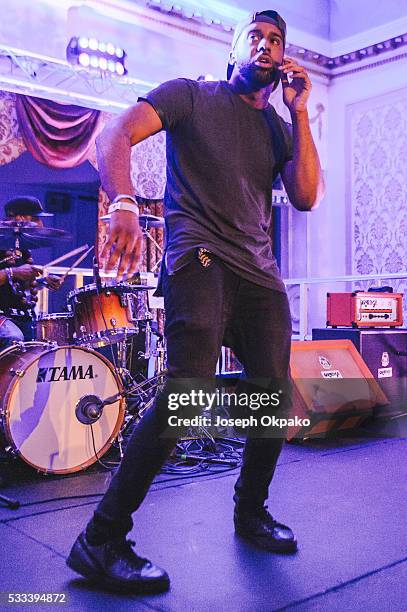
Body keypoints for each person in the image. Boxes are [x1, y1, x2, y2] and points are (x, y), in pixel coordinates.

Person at [67, 9, 324, 593]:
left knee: (272, 394)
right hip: (199, 257)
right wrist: (125, 203)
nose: (266, 45)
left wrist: (301, 109)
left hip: (258, 270)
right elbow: (116, 132)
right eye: (254, 36)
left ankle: (250, 509)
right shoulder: (191, 96)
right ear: (234, 50)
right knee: (187, 394)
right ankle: (101, 539)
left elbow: (306, 195)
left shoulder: (279, 129)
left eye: (276, 40)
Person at [0, 196, 61, 349]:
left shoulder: (21, 246)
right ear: (18, 218)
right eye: (35, 218)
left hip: (23, 317)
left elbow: (13, 286)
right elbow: (11, 275)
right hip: (3, 318)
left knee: (44, 348)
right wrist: (13, 272)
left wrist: (43, 281)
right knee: (14, 339)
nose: (41, 224)